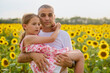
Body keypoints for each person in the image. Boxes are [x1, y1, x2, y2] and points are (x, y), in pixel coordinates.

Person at [18, 4, 84, 73]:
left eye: (50, 15)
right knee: (80, 55)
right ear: (38, 17)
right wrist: (33, 55)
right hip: (50, 68)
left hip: (54, 68)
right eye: (43, 15)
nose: (47, 18)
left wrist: (70, 64)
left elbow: (73, 60)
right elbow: (20, 58)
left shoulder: (63, 35)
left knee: (78, 54)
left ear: (54, 17)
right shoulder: (36, 34)